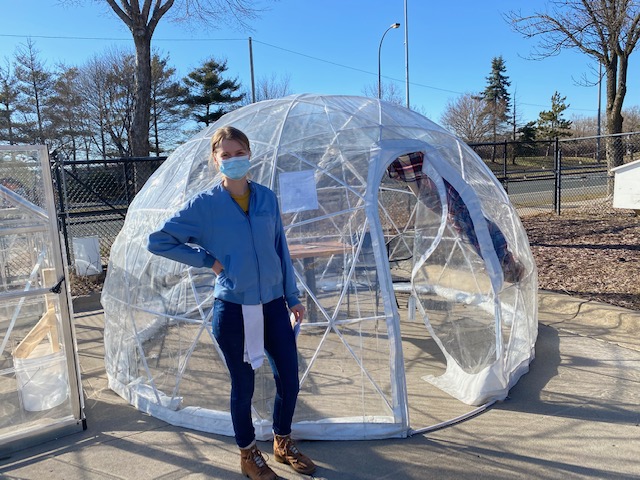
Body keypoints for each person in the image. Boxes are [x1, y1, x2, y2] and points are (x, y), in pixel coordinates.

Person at [147, 126, 316, 479]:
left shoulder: (266, 198)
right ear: (215, 160)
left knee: (289, 378)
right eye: (226, 155)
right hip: (234, 310)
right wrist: (208, 261)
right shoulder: (205, 205)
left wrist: (292, 297)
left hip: (273, 305)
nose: (234, 160)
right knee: (244, 385)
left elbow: (280, 249)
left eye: (240, 153)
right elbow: (158, 241)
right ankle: (247, 453)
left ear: (249, 155)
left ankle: (282, 441)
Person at [388, 152, 525, 283]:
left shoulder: (490, 243)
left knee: (427, 190)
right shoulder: (490, 243)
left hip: (453, 204)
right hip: (454, 204)